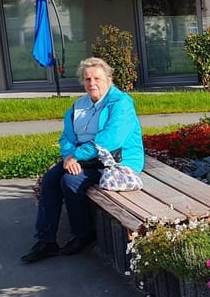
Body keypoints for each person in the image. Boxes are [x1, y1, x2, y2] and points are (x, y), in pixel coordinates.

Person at [21, 57, 144, 264]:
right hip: (84, 159)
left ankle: (83, 234)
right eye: (87, 79)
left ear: (109, 79)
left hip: (115, 162)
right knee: (51, 178)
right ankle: (46, 241)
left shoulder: (121, 103)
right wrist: (69, 155)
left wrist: (75, 156)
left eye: (97, 78)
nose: (92, 83)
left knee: (70, 181)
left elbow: (111, 139)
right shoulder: (79, 105)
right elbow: (66, 137)